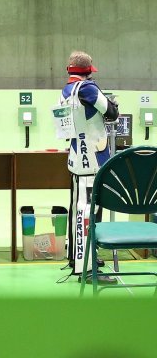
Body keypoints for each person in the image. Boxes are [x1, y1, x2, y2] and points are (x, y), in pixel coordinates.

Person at [60, 51, 118, 283]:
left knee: (78, 209)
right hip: (93, 159)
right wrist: (112, 104)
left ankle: (77, 256)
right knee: (88, 212)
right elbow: (111, 112)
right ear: (88, 71)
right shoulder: (88, 89)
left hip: (77, 158)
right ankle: (86, 269)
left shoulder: (66, 90)